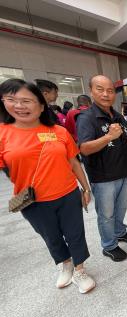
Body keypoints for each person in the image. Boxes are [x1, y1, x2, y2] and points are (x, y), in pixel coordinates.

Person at [0, 79, 95, 293]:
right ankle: (65, 263)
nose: (20, 106)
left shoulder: (58, 131)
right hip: (33, 201)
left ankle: (80, 269)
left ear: (41, 105)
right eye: (11, 100)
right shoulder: (3, 133)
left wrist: (86, 188)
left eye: (27, 100)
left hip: (68, 194)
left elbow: (73, 162)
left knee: (75, 233)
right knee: (50, 236)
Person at [77, 75, 127, 262]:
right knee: (106, 215)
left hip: (122, 171)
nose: (105, 94)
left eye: (110, 90)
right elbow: (84, 149)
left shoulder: (118, 116)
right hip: (103, 177)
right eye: (100, 89)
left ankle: (120, 232)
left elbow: (119, 140)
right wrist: (108, 137)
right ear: (91, 91)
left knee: (121, 209)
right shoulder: (87, 118)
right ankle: (109, 245)